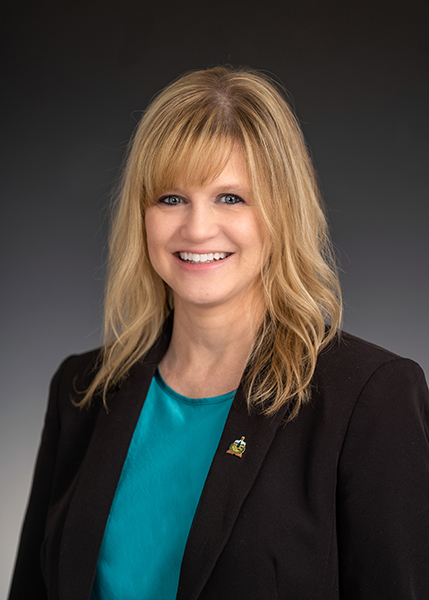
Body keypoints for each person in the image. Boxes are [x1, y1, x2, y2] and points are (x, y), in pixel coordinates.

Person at [8, 66, 429, 600]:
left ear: (281, 211)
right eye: (171, 198)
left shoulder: (371, 397)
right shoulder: (81, 389)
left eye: (230, 197)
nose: (197, 228)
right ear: (142, 215)